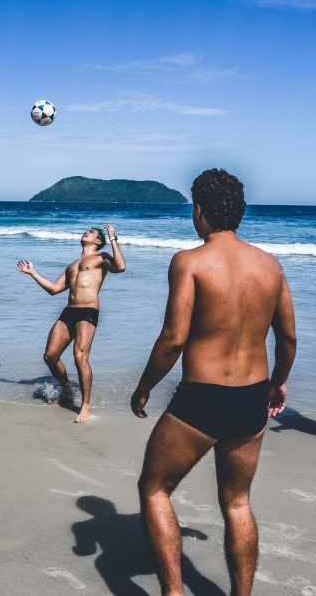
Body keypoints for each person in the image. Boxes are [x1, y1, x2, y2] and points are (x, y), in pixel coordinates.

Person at [131, 169, 296, 595]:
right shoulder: (271, 266)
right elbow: (289, 337)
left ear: (199, 210)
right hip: (251, 401)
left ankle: (172, 592)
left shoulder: (189, 261)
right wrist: (278, 383)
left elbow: (173, 339)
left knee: (154, 489)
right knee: (237, 503)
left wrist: (145, 385)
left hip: (201, 400)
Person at [16, 224, 126, 423]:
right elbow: (54, 289)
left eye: (92, 232)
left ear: (98, 241)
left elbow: (121, 267)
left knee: (79, 356)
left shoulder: (102, 258)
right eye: (87, 231)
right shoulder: (72, 265)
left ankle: (84, 405)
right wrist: (33, 272)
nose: (87, 232)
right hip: (68, 312)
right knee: (50, 356)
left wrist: (113, 238)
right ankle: (66, 387)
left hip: (88, 312)